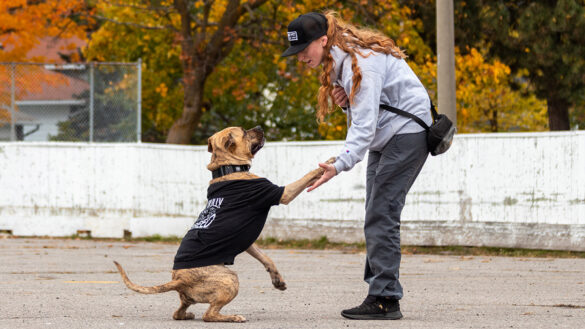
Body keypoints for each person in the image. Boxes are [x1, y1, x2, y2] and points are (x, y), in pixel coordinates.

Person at [281, 11, 432, 320]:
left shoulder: (359, 61)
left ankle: (385, 298)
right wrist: (346, 102)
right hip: (388, 135)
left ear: (323, 41)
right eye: (295, 53)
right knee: (376, 212)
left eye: (303, 50)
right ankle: (380, 291)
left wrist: (339, 164)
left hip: (407, 133)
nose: (300, 59)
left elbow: (364, 124)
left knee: (381, 211)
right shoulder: (343, 59)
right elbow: (368, 109)